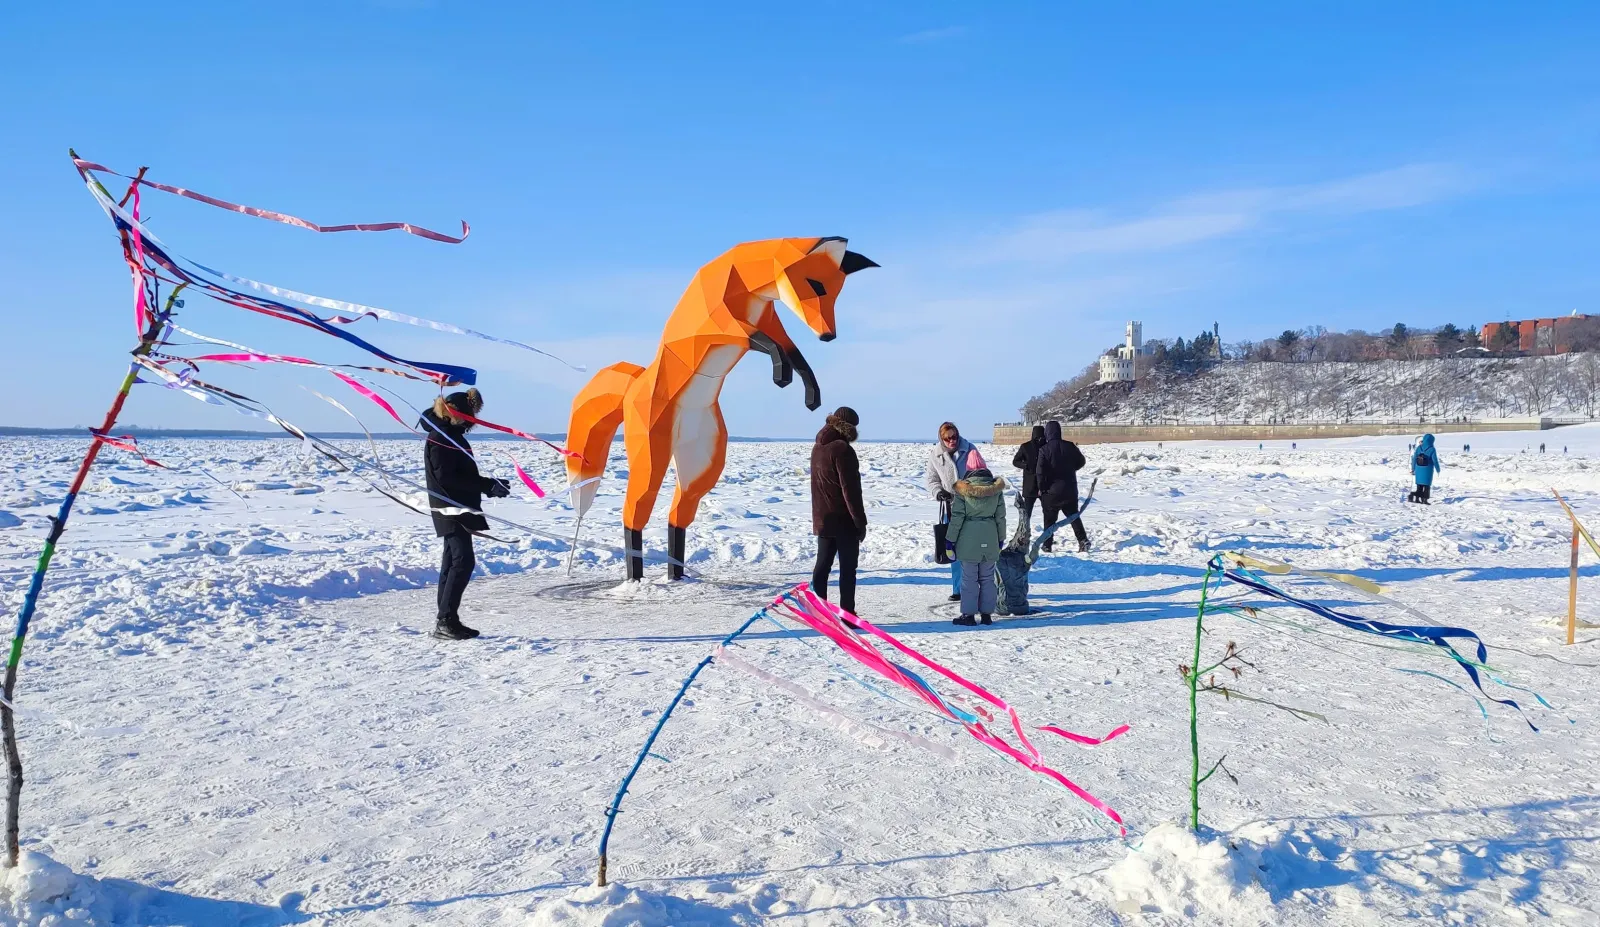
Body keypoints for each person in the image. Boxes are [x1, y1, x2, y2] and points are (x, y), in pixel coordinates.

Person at [422, 389, 511, 640]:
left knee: (452, 562)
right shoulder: (441, 436)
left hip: (456, 507)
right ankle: (445, 620)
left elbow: (459, 475)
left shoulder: (449, 434)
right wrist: (486, 485)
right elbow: (446, 477)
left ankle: (447, 619)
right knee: (462, 561)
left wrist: (490, 485)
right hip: (450, 508)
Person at [810, 406, 867, 620]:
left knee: (822, 566)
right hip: (844, 521)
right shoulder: (842, 449)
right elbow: (850, 491)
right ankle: (847, 615)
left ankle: (818, 612)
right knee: (847, 569)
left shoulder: (817, 447)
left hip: (824, 518)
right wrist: (860, 522)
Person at [944, 450, 1006, 626]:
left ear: (969, 468)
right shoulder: (996, 490)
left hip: (968, 540)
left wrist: (950, 540)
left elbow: (957, 519)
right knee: (987, 578)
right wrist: (1000, 539)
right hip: (990, 535)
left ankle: (969, 616)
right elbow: (1000, 518)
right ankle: (987, 615)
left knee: (969, 578)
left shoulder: (963, 490)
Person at [926, 422, 976, 601]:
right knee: (952, 549)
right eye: (947, 438)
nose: (951, 441)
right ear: (942, 439)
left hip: (971, 507)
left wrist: (973, 489)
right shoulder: (936, 454)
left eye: (954, 437)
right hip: (950, 508)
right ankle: (958, 589)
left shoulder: (970, 450)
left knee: (972, 549)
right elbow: (931, 479)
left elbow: (982, 472)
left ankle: (975, 586)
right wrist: (938, 492)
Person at [1035, 421, 1090, 553]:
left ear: (1047, 433)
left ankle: (1047, 544)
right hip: (1069, 489)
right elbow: (1081, 461)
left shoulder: (1044, 449)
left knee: (1049, 520)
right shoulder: (1070, 446)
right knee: (1073, 516)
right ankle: (1083, 540)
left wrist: (1041, 488)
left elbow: (1040, 471)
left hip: (1051, 491)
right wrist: (1071, 470)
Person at [1010, 424, 1046, 536]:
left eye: (1041, 437)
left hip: (1044, 484)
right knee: (1027, 512)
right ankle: (1023, 532)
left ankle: (1047, 534)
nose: (1039, 439)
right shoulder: (1025, 447)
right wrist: (1026, 465)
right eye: (1037, 437)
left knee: (1048, 512)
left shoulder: (1047, 446)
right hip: (1030, 484)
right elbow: (1015, 461)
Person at [1408, 433, 1442, 504]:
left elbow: (1414, 459)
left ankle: (1417, 498)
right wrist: (1438, 469)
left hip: (1418, 469)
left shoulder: (1419, 447)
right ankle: (1424, 500)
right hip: (1427, 470)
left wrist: (1413, 468)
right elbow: (1435, 460)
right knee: (1426, 486)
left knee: (1419, 485)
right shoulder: (1432, 449)